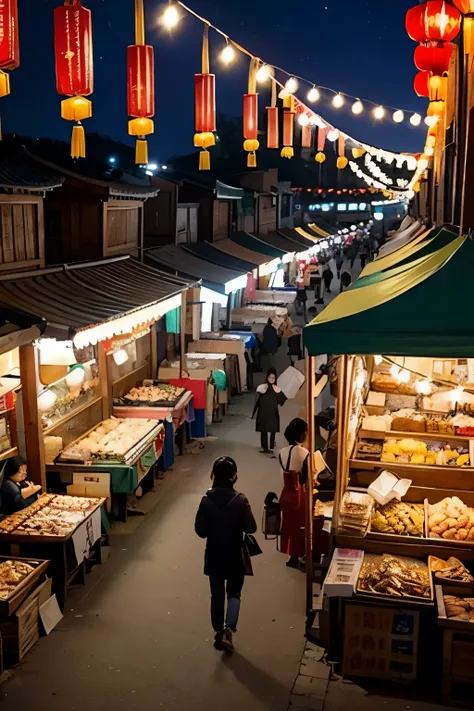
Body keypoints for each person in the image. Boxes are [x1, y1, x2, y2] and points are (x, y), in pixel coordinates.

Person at [194, 456, 257, 653]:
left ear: (213, 475)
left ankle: (218, 631)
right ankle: (229, 629)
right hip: (235, 553)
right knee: (234, 593)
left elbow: (201, 531)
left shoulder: (206, 501)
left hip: (214, 554)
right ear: (234, 477)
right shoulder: (240, 500)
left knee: (216, 593)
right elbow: (251, 527)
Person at [278, 418, 309, 568]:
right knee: (300, 526)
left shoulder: (281, 452)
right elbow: (308, 477)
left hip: (285, 493)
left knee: (288, 526)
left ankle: (290, 554)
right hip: (299, 494)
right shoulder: (304, 453)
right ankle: (300, 553)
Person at [252, 368, 287, 454]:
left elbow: (281, 401)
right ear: (267, 377)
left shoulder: (277, 389)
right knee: (263, 429)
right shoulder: (261, 388)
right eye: (270, 377)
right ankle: (265, 447)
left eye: (273, 378)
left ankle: (271, 446)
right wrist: (254, 412)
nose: (271, 379)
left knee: (273, 429)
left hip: (273, 412)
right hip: (263, 411)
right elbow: (257, 401)